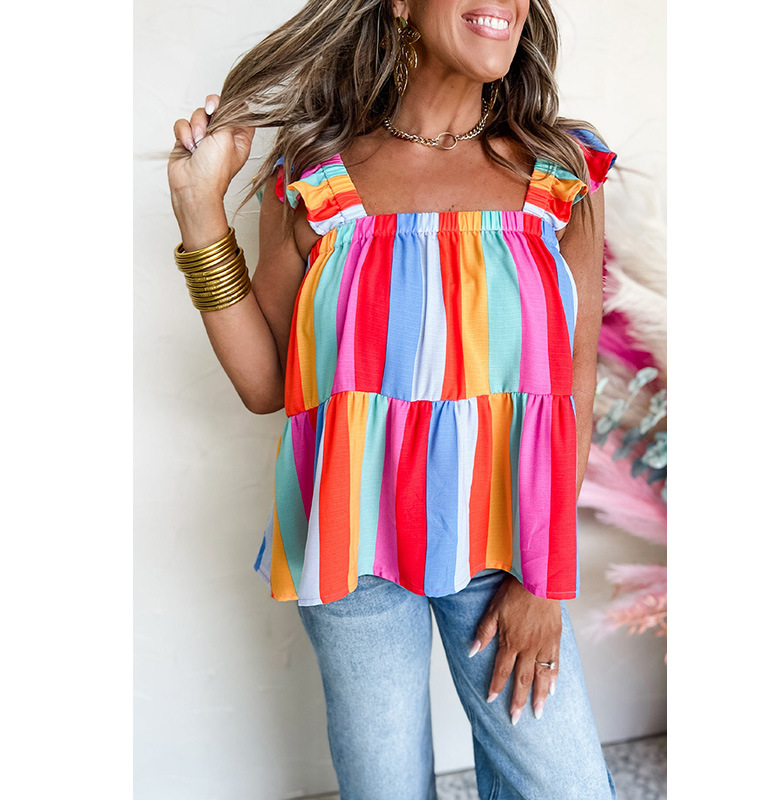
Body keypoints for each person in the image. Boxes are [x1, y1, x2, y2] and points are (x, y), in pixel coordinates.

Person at [168, 1, 618, 798]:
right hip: (348, 539)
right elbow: (266, 385)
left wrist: (545, 576)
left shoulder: (561, 170)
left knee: (567, 786)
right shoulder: (315, 176)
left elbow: (572, 383)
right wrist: (199, 214)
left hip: (504, 544)